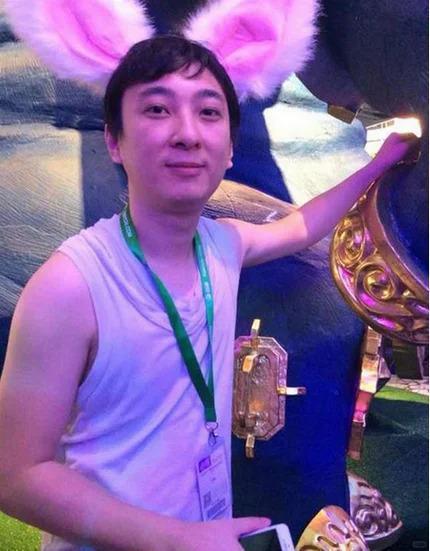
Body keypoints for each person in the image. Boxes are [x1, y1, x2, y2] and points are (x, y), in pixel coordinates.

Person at [0, 36, 417, 551]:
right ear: (114, 140)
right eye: (157, 109)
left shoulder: (221, 246)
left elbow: (302, 227)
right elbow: (17, 477)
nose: (187, 134)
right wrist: (176, 539)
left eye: (209, 112)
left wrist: (380, 163)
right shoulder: (69, 287)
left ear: (230, 147)